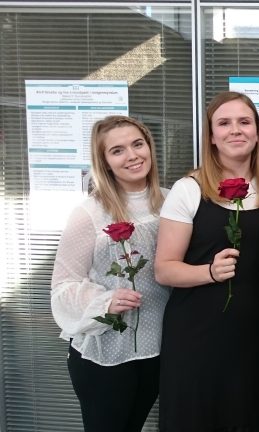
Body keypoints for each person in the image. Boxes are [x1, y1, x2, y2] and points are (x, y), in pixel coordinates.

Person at [154, 91, 259, 431]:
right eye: (224, 123)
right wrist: (209, 272)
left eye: (244, 122)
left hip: (252, 341)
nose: (235, 130)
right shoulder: (189, 189)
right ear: (211, 136)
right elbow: (164, 269)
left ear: (257, 133)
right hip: (196, 338)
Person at [51, 115, 170, 432]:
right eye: (117, 150)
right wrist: (105, 301)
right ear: (104, 161)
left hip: (156, 350)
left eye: (137, 144)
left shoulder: (171, 201)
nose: (132, 156)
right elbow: (63, 286)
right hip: (106, 353)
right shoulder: (88, 213)